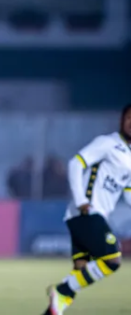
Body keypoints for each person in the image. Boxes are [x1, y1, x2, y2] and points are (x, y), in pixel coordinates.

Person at [43, 103, 131, 315]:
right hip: (86, 212)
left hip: (91, 216)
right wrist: (82, 200)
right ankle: (60, 289)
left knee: (81, 273)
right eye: (129, 117)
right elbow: (75, 163)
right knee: (112, 259)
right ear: (122, 120)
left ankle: (54, 306)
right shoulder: (108, 143)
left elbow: (128, 194)